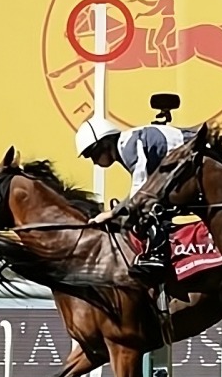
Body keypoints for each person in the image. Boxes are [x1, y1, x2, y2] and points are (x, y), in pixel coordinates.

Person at [75, 113, 197, 276]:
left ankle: (158, 256)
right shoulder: (127, 145)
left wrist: (111, 214)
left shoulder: (129, 146)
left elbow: (140, 193)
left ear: (105, 144)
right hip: (184, 165)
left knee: (146, 208)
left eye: (93, 155)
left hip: (194, 161)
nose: (94, 162)